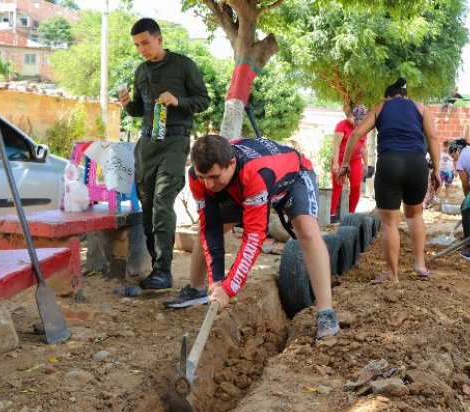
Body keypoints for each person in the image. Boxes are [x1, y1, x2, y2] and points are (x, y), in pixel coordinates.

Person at [163, 135, 340, 340]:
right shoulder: (199, 176)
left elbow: (254, 237)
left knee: (307, 230)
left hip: (293, 178)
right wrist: (216, 282)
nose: (208, 185)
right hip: (239, 186)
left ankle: (326, 312)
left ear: (230, 164)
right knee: (211, 229)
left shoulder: (255, 173)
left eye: (213, 177)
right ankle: (197, 289)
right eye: (203, 177)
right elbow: (209, 228)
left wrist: (228, 289)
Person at [119, 18, 209, 289]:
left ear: (159, 39)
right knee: (147, 205)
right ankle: (156, 268)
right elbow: (139, 110)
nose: (142, 49)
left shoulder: (184, 65)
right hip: (146, 144)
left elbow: (204, 101)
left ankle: (163, 270)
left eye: (145, 42)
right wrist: (127, 105)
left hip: (175, 141)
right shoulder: (140, 71)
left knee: (162, 199)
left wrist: (177, 100)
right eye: (137, 45)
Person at [338, 77, 441, 283]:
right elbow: (433, 139)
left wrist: (346, 164)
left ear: (387, 97)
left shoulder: (381, 107)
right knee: (415, 215)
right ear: (406, 95)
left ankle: (392, 275)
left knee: (390, 223)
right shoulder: (421, 109)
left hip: (389, 163)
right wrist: (436, 170)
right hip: (417, 164)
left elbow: (356, 134)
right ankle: (420, 265)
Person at [330, 105, 369, 222]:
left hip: (356, 160)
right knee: (338, 186)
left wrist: (366, 164)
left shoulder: (363, 127)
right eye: (354, 118)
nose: (356, 122)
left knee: (356, 187)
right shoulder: (341, 125)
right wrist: (336, 163)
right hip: (341, 159)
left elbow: (364, 148)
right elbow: (336, 145)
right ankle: (332, 214)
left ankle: (351, 214)